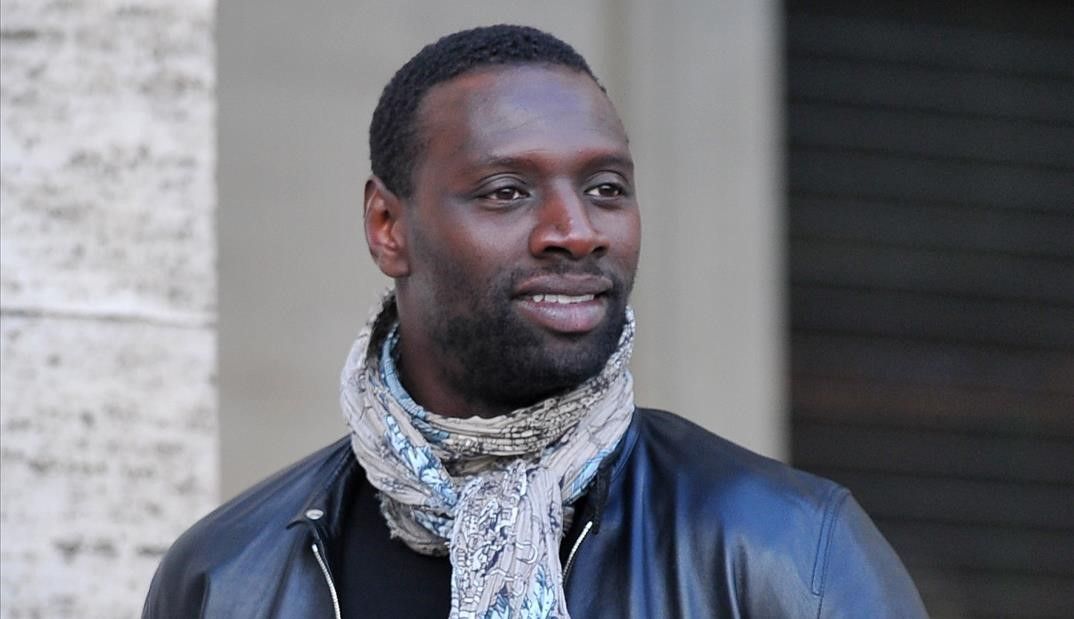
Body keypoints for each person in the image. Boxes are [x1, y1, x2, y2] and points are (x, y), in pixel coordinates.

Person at [144, 25, 927, 618]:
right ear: (388, 225)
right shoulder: (227, 575)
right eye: (507, 191)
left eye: (607, 188)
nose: (575, 229)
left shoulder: (789, 548)